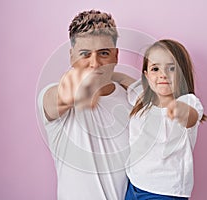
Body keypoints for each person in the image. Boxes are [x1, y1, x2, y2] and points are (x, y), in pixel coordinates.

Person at [37, 10, 135, 200]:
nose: (94, 63)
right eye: (85, 54)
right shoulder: (52, 96)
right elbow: (59, 98)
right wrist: (77, 91)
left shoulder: (130, 98)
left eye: (103, 53)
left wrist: (117, 77)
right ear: (72, 56)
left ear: (116, 56)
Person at [115, 39, 207, 200]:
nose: (163, 74)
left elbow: (191, 117)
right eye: (155, 69)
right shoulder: (142, 99)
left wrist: (179, 111)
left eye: (171, 68)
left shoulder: (187, 101)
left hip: (166, 191)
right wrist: (101, 75)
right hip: (135, 184)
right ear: (146, 75)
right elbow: (123, 80)